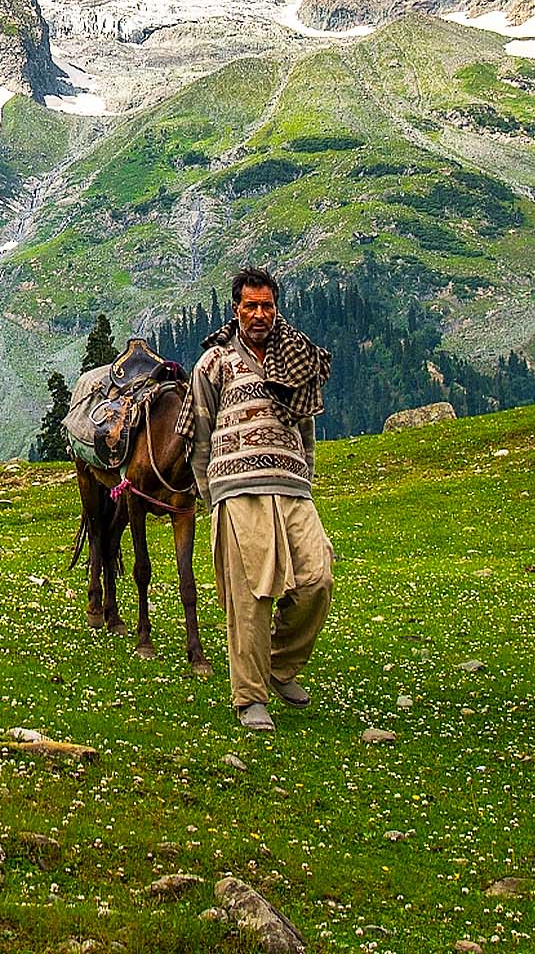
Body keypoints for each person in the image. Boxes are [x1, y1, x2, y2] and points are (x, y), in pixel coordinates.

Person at [186, 266, 332, 731]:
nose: (259, 314)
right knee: (250, 597)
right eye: (250, 306)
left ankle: (278, 664)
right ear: (236, 310)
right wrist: (211, 494)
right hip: (237, 489)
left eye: (266, 305)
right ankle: (250, 699)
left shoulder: (295, 359)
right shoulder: (215, 362)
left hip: (291, 486)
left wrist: (305, 472)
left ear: (276, 307)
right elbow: (199, 432)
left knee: (316, 579)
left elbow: (306, 422)